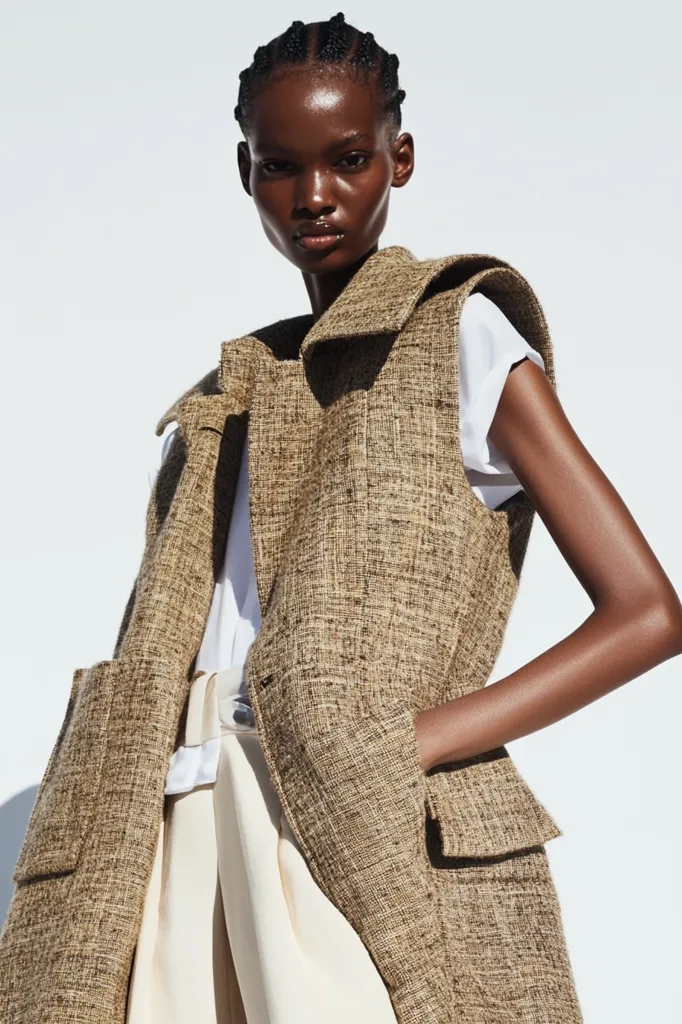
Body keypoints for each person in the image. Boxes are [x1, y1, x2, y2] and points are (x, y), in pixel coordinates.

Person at [2, 12, 682, 1024]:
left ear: (398, 158)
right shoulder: (224, 394)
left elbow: (647, 613)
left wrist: (409, 742)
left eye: (348, 159)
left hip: (337, 816)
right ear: (245, 174)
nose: (313, 195)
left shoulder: (458, 332)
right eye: (280, 166)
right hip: (172, 814)